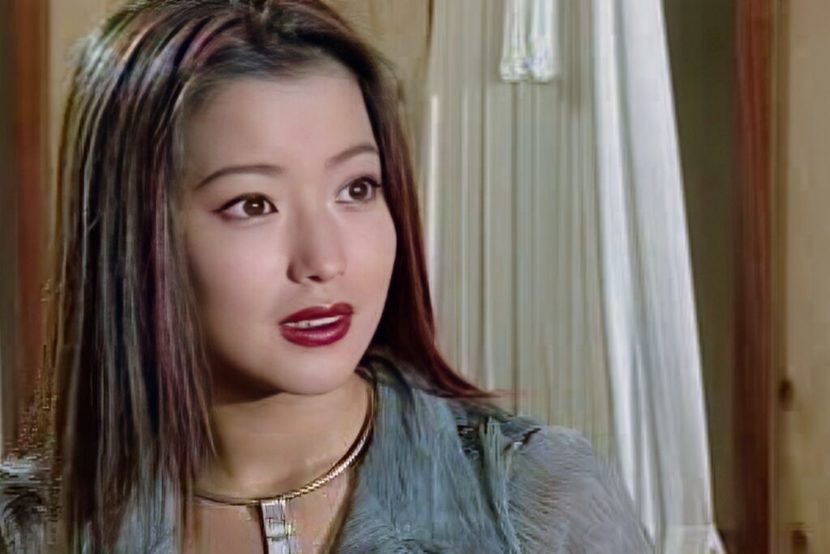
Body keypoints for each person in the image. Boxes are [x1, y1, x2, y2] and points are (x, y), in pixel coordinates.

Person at [0, 1, 653, 552]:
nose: (325, 259)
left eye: (357, 189)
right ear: (133, 235)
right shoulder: (31, 530)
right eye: (253, 204)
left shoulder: (533, 496)